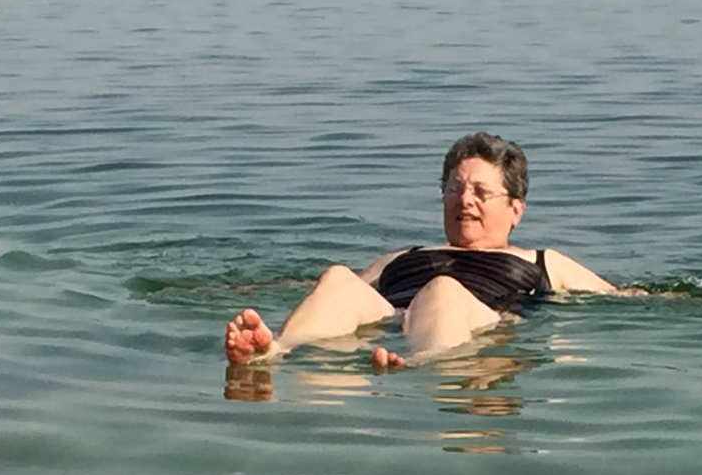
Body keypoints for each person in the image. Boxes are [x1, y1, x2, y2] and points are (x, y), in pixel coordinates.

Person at [224, 132, 621, 369]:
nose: (465, 200)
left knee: (443, 288)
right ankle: (276, 350)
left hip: (476, 317)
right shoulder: (404, 255)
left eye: (481, 192)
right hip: (395, 317)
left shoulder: (543, 261)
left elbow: (623, 299)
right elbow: (336, 292)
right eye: (454, 189)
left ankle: (423, 361)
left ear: (516, 209)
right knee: (338, 277)